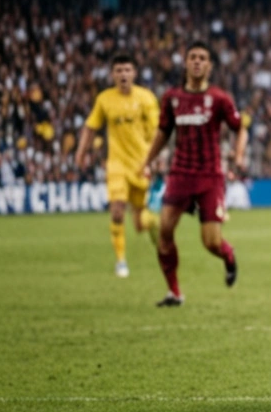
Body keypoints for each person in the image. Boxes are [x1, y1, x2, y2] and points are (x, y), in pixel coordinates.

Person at [140, 41, 249, 307]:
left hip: (210, 177)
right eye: (193, 57)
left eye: (202, 58)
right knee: (164, 231)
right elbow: (163, 133)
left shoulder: (220, 98)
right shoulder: (172, 98)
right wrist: (147, 161)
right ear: (186, 62)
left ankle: (228, 254)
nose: (197, 62)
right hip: (180, 174)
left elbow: (240, 128)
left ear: (209, 65)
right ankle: (174, 293)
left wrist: (239, 155)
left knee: (210, 243)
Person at [74, 55, 161, 277]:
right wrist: (81, 153)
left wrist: (154, 160)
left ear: (134, 73)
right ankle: (121, 261)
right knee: (117, 211)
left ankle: (153, 224)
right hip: (116, 165)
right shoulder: (104, 99)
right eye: (119, 70)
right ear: (113, 74)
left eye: (127, 70)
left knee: (140, 223)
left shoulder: (146, 98)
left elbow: (158, 133)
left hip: (141, 165)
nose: (123, 74)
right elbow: (90, 127)